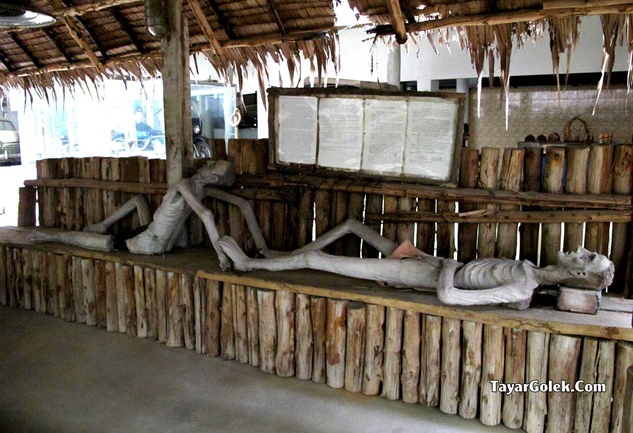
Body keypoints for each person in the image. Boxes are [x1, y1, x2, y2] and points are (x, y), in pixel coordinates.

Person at [217, 218, 614, 309]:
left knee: (317, 261)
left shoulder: (521, 287)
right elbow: (459, 271)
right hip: (432, 262)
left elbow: (450, 297)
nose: (581, 249)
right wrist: (439, 259)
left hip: (423, 275)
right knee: (354, 225)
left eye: (588, 257)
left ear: (580, 273)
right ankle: (277, 257)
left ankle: (249, 265)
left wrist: (446, 267)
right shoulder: (526, 269)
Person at [26, 161, 268, 269]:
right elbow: (241, 204)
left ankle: (53, 236)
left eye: (213, 165)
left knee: (103, 243)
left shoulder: (189, 186)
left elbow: (208, 214)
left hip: (148, 243)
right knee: (137, 201)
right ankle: (100, 226)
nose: (209, 162)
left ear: (212, 176)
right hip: (151, 235)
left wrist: (224, 258)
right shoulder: (197, 189)